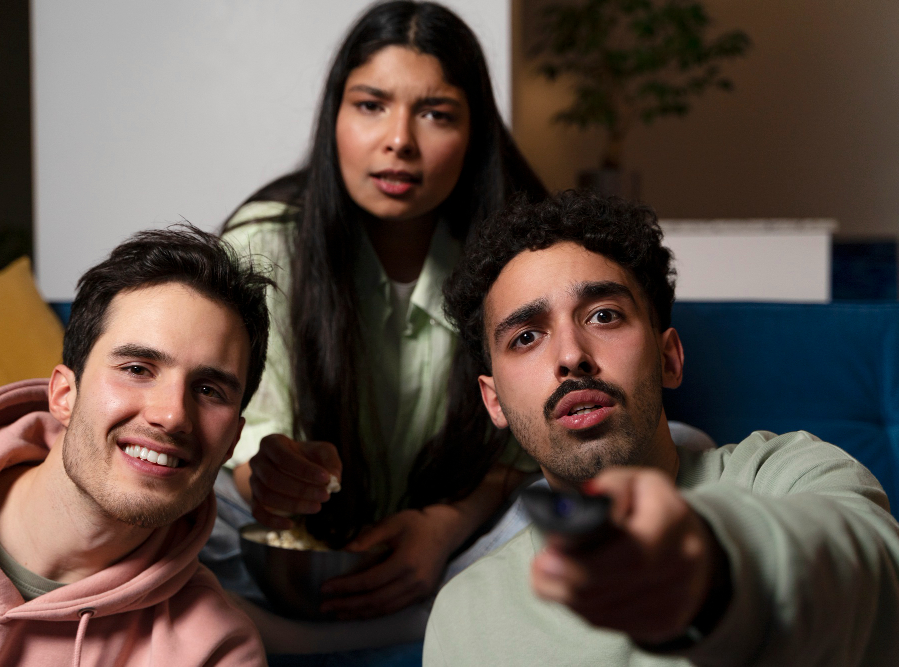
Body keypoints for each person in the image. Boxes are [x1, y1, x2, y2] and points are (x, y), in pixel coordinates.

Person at [423, 191, 899, 665]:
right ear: (494, 401)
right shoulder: (465, 617)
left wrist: (711, 571)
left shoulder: (791, 473)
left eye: (603, 315)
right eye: (526, 337)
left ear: (669, 358)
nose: (571, 356)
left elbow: (872, 575)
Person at [208, 0, 548, 632]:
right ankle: (429, 627)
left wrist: (443, 528)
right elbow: (250, 454)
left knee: (655, 456)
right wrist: (278, 480)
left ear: (474, 133)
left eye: (436, 113)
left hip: (458, 547)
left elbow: (531, 452)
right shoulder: (265, 242)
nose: (399, 140)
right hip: (295, 549)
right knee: (169, 502)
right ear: (334, 116)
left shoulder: (520, 254)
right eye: (370, 105)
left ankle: (374, 626)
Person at [0, 226, 269, 666]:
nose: (172, 415)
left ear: (232, 441)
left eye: (209, 390)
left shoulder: (216, 650)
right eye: (137, 368)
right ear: (63, 395)